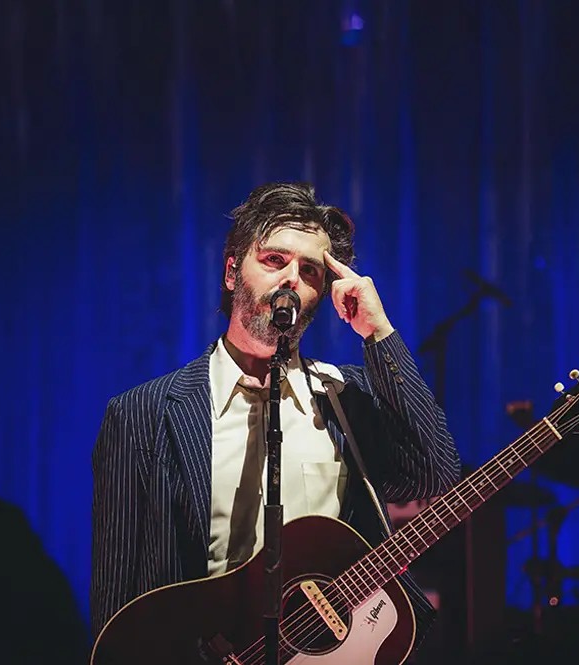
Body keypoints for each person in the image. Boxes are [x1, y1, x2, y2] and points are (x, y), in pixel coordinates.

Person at [89, 182, 462, 654]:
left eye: (309, 270)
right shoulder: (142, 414)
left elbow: (434, 474)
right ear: (231, 272)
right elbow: (117, 604)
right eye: (273, 259)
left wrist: (378, 332)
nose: (290, 279)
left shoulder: (343, 399)